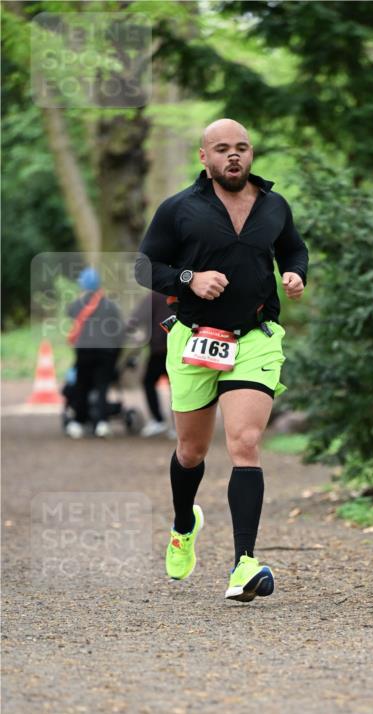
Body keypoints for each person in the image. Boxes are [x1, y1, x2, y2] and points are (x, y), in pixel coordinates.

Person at [135, 118, 308, 600]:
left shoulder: (274, 205)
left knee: (245, 442)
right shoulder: (179, 209)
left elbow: (293, 249)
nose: (234, 156)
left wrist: (295, 275)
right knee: (191, 452)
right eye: (223, 149)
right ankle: (184, 522)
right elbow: (146, 266)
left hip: (255, 338)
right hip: (193, 337)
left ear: (251, 154)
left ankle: (243, 564)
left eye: (243, 148)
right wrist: (189, 278)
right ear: (204, 157)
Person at [65, 267, 124, 439]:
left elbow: (70, 314)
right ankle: (102, 423)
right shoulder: (111, 305)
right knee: (102, 387)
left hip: (84, 352)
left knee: (81, 386)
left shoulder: (78, 304)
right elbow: (119, 332)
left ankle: (77, 422)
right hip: (107, 353)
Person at [124, 290, 173, 436]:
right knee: (177, 387)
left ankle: (159, 421)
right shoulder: (183, 293)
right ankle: (178, 426)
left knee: (148, 382)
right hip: (179, 349)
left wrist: (129, 331)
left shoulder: (155, 296)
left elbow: (136, 319)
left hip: (160, 349)